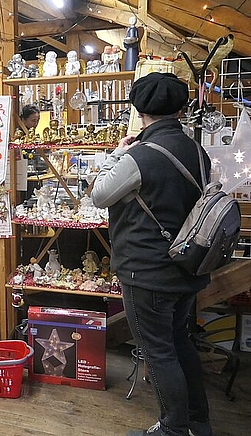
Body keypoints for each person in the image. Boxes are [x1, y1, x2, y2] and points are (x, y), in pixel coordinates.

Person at [91, 72, 213, 436]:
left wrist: (117, 154)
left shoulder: (139, 157)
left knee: (158, 350)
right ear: (180, 109)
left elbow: (100, 194)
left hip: (147, 271)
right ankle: (197, 421)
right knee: (177, 341)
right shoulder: (197, 151)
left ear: (139, 110)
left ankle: (173, 429)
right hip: (188, 265)